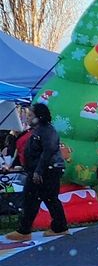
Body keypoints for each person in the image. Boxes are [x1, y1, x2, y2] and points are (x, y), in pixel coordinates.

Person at [4, 103, 67, 242]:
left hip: (46, 169)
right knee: (43, 198)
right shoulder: (39, 131)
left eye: (30, 116)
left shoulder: (45, 131)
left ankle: (26, 230)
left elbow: (48, 151)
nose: (27, 118)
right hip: (44, 169)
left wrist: (38, 171)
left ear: (39, 117)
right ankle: (58, 226)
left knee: (35, 198)